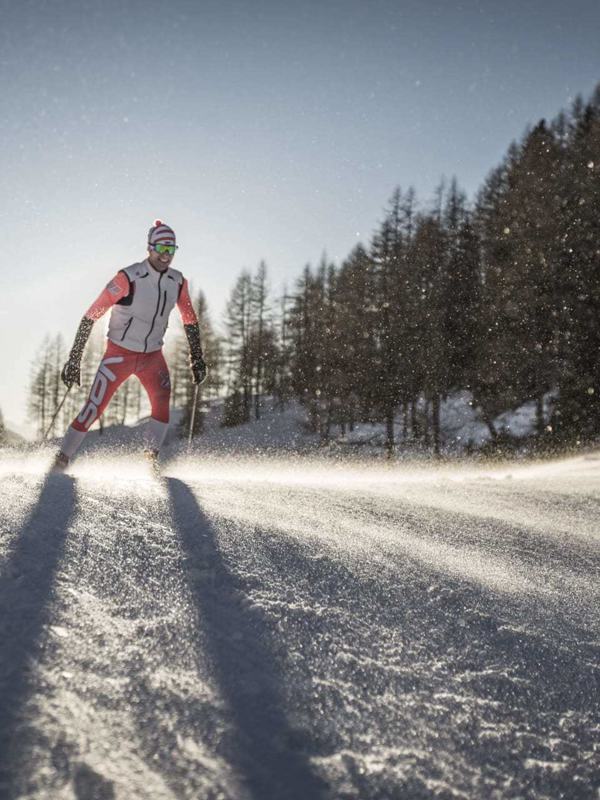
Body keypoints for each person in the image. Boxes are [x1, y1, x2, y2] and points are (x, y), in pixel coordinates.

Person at [52, 220, 206, 471]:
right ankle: (62, 460)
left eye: (171, 250)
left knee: (161, 401)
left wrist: (197, 358)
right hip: (119, 354)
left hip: (152, 356)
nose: (166, 256)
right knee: (94, 406)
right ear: (150, 248)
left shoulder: (177, 282)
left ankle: (150, 460)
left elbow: (190, 319)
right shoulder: (129, 277)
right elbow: (92, 314)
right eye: (161, 249)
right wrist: (74, 358)